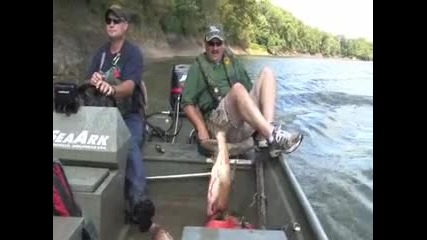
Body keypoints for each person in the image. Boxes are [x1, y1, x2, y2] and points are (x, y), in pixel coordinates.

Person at [181, 25, 304, 158]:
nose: (215, 48)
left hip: (238, 124)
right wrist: (201, 128)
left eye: (218, 43)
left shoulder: (233, 62)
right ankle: (273, 136)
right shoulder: (197, 67)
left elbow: (250, 93)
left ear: (223, 44)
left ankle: (266, 136)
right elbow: (187, 103)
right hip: (217, 126)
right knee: (238, 89)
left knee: (267, 73)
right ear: (205, 44)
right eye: (211, 43)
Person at [85, 4, 154, 233]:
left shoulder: (133, 53)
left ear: (126, 25)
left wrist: (112, 89)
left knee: (129, 143)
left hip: (128, 115)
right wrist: (93, 80)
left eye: (116, 20)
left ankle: (140, 203)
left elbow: (129, 86)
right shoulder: (100, 54)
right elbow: (86, 84)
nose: (112, 24)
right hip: (102, 115)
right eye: (108, 21)